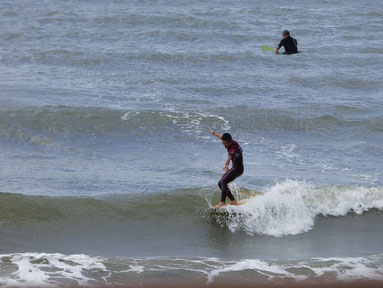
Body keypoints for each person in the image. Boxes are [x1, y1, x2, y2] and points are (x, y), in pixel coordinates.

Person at [210, 130, 244, 209]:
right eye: (223, 143)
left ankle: (222, 202)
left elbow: (231, 155)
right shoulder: (231, 142)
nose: (224, 145)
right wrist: (215, 134)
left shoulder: (235, 150)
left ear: (230, 142)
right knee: (220, 183)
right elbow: (222, 137)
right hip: (234, 168)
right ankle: (233, 201)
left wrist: (228, 167)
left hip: (238, 169)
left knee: (224, 181)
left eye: (226, 143)